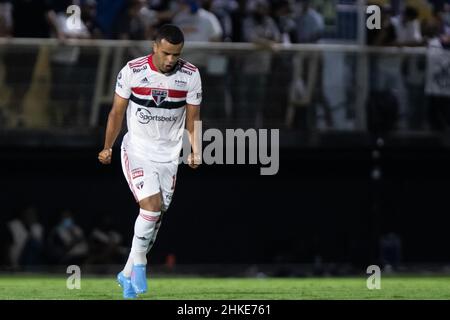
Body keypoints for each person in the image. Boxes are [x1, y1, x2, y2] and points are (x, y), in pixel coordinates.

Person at [98, 24, 202, 299]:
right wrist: (107, 147)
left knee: (154, 220)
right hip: (138, 150)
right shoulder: (132, 71)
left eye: (176, 55)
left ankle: (127, 272)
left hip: (169, 155)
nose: (171, 60)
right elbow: (116, 113)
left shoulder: (190, 75)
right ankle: (141, 265)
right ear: (155, 47)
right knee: (151, 207)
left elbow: (193, 117)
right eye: (166, 53)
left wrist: (195, 149)